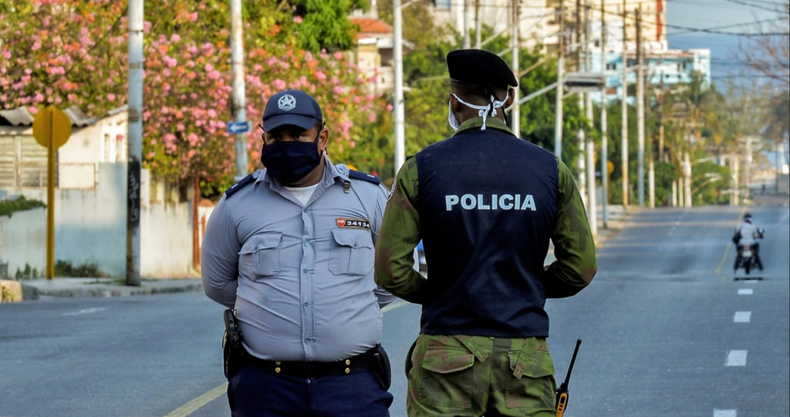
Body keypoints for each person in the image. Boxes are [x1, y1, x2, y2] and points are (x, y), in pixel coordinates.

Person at [374, 49, 597, 417]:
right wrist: (527, 286)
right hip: (524, 361)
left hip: (444, 359)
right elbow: (581, 268)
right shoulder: (550, 171)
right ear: (509, 98)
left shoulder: (421, 169)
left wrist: (443, 291)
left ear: (454, 102)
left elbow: (389, 271)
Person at [202, 89, 395, 417]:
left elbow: (387, 280)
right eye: (276, 136)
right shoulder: (236, 205)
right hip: (266, 390)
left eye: (297, 134)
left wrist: (342, 307)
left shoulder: (369, 197)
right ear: (263, 138)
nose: (286, 143)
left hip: (352, 387)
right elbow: (218, 284)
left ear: (322, 138)